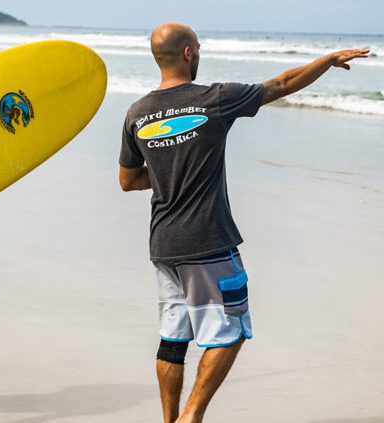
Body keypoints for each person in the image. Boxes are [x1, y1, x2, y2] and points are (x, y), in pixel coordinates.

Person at [118, 22, 368, 423]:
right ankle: (191, 417)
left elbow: (129, 181)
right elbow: (281, 84)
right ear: (188, 53)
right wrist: (327, 59)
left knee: (173, 340)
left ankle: (170, 421)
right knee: (229, 332)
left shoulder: (137, 113)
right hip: (207, 242)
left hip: (163, 245)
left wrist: (168, 171)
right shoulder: (214, 99)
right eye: (198, 47)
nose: (200, 53)